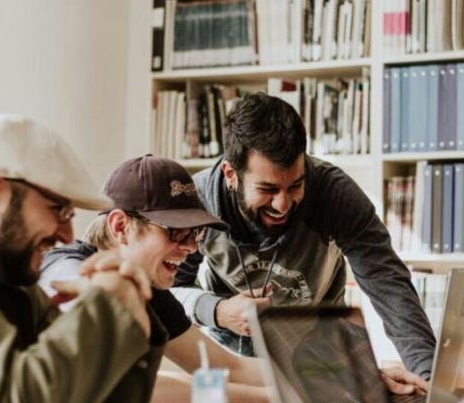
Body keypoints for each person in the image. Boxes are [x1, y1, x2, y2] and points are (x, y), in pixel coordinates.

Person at [171, 92, 437, 386]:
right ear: (231, 174)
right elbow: (169, 292)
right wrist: (217, 311)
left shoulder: (334, 194)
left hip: (320, 354)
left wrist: (430, 382)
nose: (283, 204)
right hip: (230, 361)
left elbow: (389, 284)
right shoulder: (197, 201)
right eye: (268, 189)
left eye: (295, 185)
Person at [0, 114, 159, 402]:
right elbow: (13, 397)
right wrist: (109, 305)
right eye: (59, 210)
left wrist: (129, 305)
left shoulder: (5, 268)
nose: (67, 235)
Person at [39, 155, 268, 403]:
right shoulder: (65, 265)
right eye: (177, 231)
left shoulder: (149, 289)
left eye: (196, 232)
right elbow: (130, 387)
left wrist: (308, 375)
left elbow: (229, 368)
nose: (191, 247)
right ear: (120, 227)